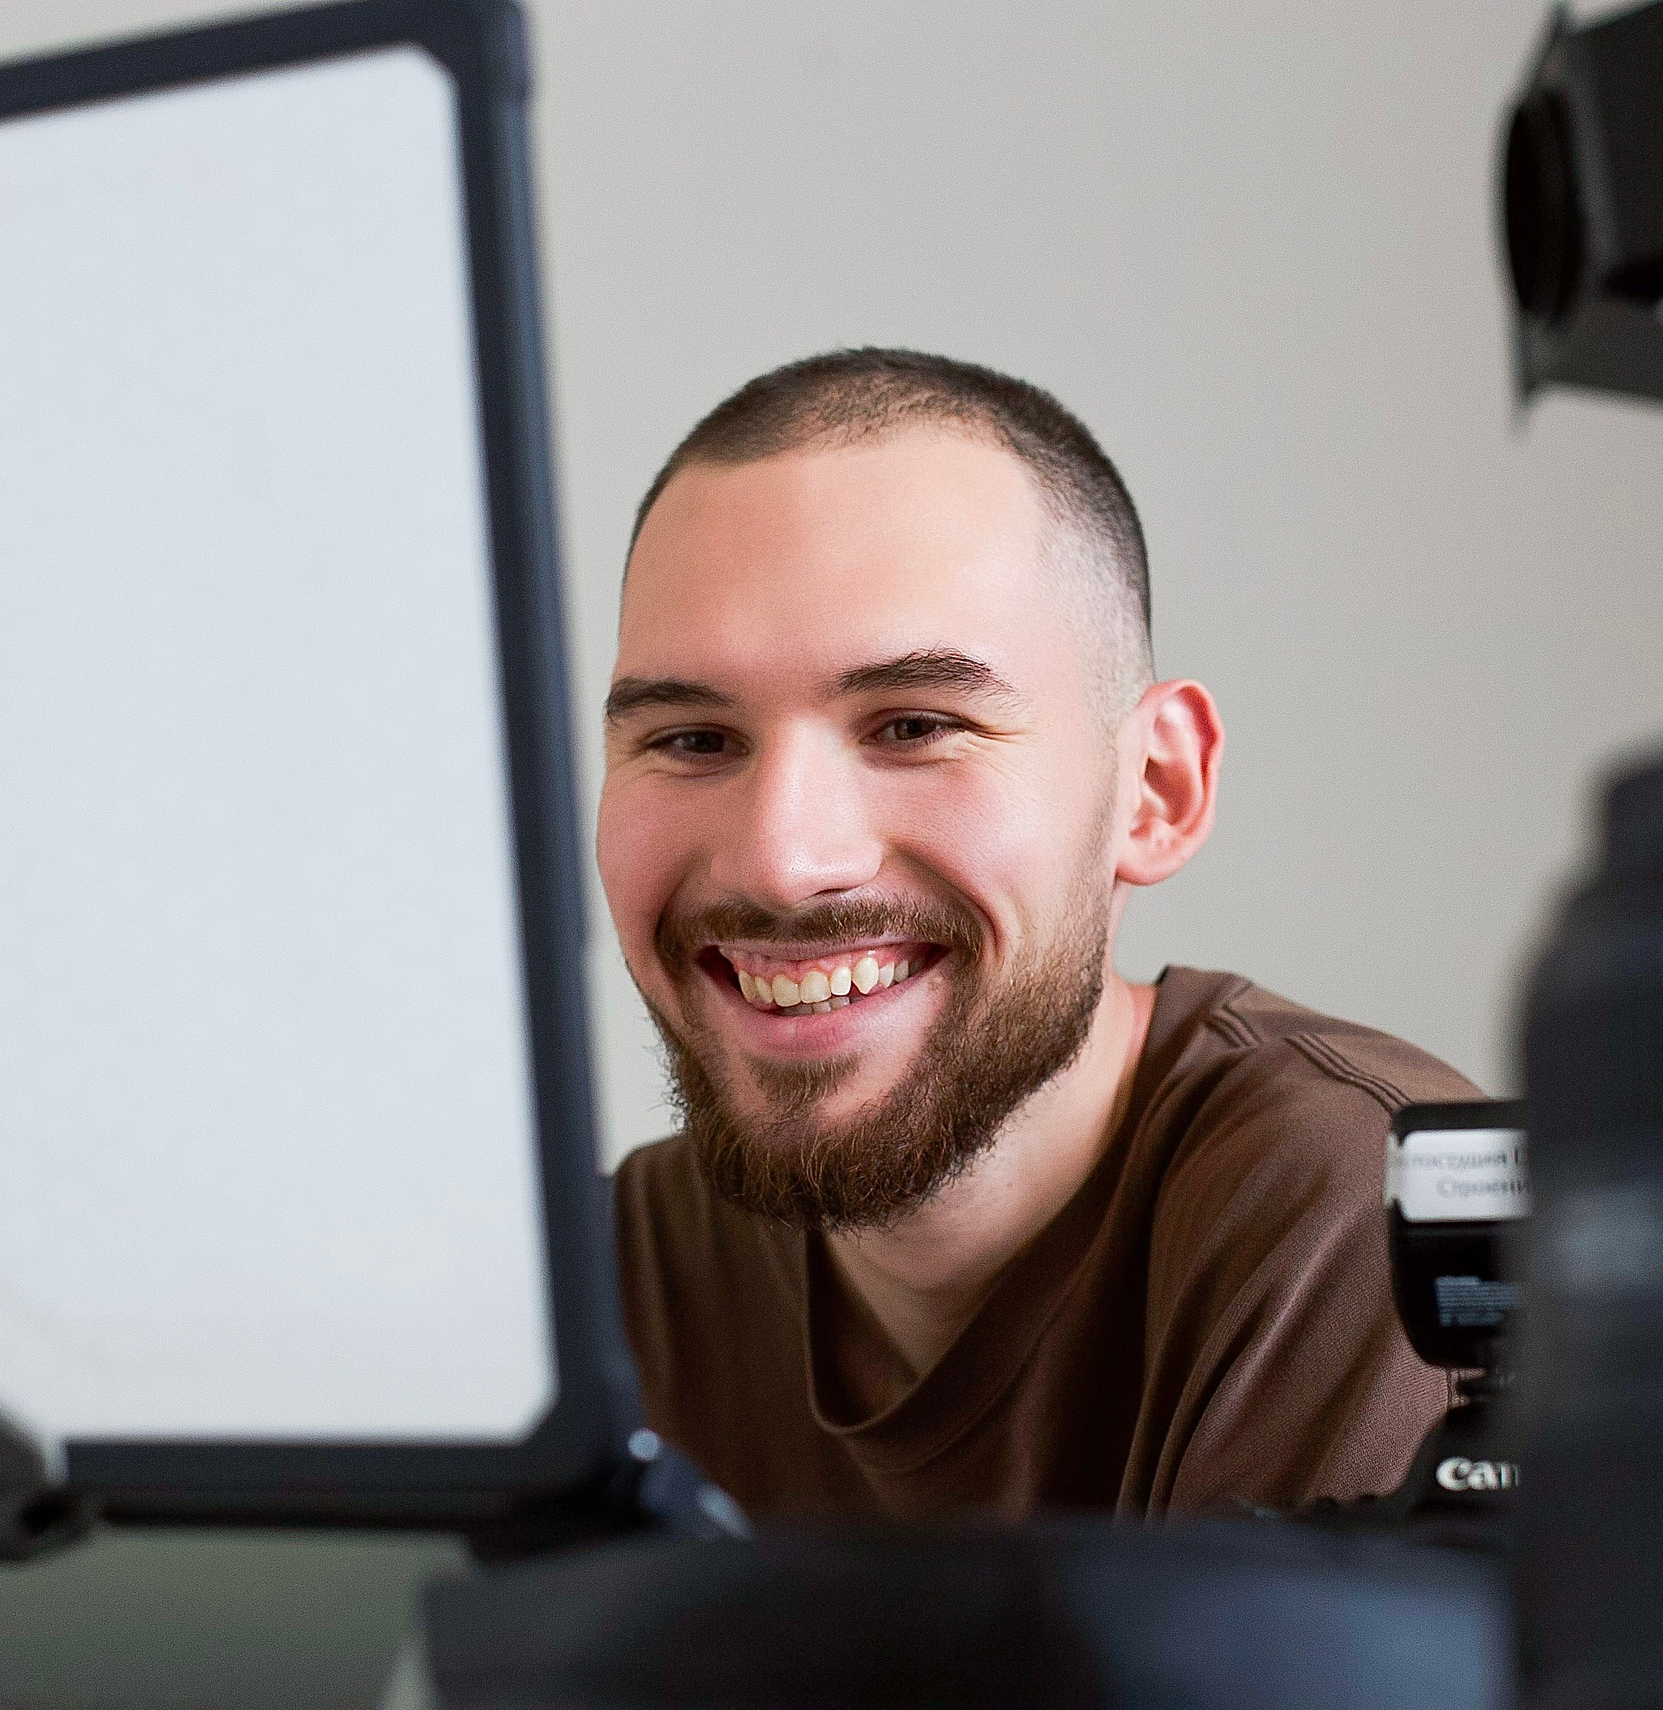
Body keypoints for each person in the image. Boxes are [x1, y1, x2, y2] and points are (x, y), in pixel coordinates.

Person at [598, 348, 1476, 1520]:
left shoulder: (1380, 1229)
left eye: (914, 725)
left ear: (1154, 790)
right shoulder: (597, 1284)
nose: (781, 861)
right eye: (692, 741)